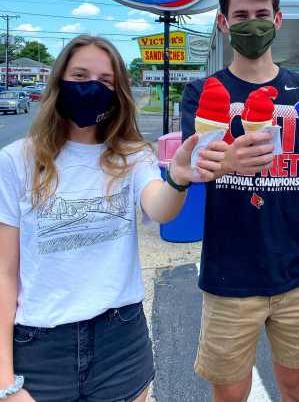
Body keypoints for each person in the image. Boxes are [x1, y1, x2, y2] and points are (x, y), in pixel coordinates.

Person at [0, 35, 227, 402]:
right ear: (58, 80)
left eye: (106, 80)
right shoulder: (16, 161)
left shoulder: (132, 155)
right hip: (39, 343)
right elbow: (4, 272)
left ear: (118, 91)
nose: (92, 86)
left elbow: (159, 207)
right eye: (80, 75)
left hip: (119, 339)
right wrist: (4, 379)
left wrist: (179, 178)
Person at [181, 0, 299, 402]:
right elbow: (192, 168)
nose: (253, 24)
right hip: (228, 273)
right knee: (230, 394)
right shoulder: (203, 91)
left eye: (262, 14)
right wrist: (227, 160)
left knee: (298, 388)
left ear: (278, 19)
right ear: (223, 23)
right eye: (242, 16)